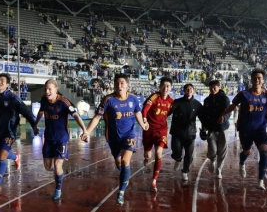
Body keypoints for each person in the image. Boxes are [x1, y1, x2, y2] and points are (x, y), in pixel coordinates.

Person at [84, 74, 148, 205]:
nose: (120, 86)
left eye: (122, 83)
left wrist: (142, 124)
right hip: (113, 137)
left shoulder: (134, 99)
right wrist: (87, 132)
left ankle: (121, 192)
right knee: (119, 163)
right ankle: (125, 175)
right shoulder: (108, 100)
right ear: (113, 85)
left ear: (127, 85)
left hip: (129, 135)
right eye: (117, 83)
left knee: (125, 161)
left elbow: (137, 113)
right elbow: (97, 117)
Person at [34, 79, 89, 201]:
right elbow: (41, 112)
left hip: (61, 139)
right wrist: (35, 125)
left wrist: (85, 130)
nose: (47, 91)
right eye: (45, 89)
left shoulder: (63, 102)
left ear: (56, 89)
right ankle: (58, 170)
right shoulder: (44, 100)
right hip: (48, 138)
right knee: (48, 167)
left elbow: (76, 115)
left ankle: (58, 189)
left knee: (58, 165)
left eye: (50, 89)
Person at [0, 73, 38, 195]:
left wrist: (34, 125)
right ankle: (16, 157)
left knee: (2, 156)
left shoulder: (13, 98)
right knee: (3, 153)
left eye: (3, 80)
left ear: (8, 84)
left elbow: (26, 112)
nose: (0, 82)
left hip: (10, 132)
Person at [141, 76, 174, 191]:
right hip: (149, 129)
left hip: (162, 131)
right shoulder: (154, 97)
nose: (165, 88)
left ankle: (154, 181)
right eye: (163, 86)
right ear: (160, 87)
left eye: (168, 86)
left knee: (159, 153)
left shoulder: (171, 101)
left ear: (171, 88)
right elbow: (145, 109)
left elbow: (170, 113)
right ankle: (146, 159)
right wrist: (144, 120)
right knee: (148, 155)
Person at [169, 83, 203, 181]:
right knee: (176, 152)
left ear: (194, 90)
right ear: (184, 91)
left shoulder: (197, 104)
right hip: (177, 133)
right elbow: (167, 113)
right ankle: (178, 159)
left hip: (190, 134)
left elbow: (203, 118)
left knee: (189, 154)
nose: (189, 90)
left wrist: (204, 129)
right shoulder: (177, 102)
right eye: (187, 89)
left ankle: (185, 171)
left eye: (191, 89)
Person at [200, 80, 231, 178]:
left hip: (223, 128)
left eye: (215, 87)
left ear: (219, 87)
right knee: (212, 150)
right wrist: (204, 125)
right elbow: (204, 115)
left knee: (222, 151)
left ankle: (219, 169)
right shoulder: (207, 100)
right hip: (211, 128)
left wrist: (224, 118)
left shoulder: (225, 99)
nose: (212, 90)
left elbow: (228, 111)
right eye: (211, 88)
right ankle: (212, 160)